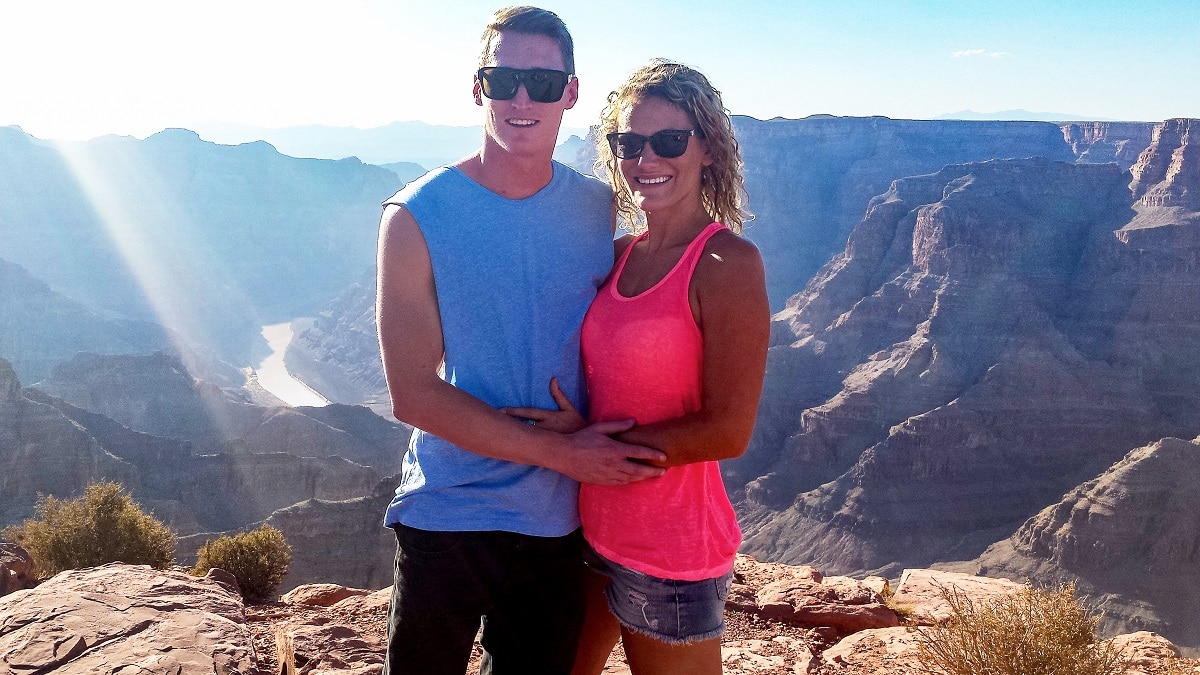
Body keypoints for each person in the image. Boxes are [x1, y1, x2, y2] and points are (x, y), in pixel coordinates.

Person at [374, 7, 667, 675]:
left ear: (571, 92)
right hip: (447, 511)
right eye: (504, 80)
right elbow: (411, 393)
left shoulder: (597, 207)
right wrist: (564, 452)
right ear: (478, 88)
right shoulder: (416, 215)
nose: (522, 99)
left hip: (557, 523)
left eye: (543, 81)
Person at [503, 60, 770, 674]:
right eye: (629, 143)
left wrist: (591, 447)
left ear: (708, 150)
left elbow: (728, 431)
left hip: (670, 549)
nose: (646, 158)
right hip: (588, 530)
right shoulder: (620, 255)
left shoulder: (727, 264)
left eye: (669, 140)